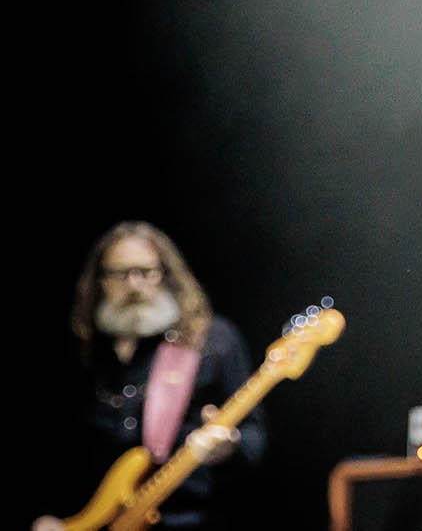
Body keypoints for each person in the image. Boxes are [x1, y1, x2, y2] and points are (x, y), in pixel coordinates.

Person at [32, 222, 266, 531]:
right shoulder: (82, 349)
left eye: (146, 272)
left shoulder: (211, 341)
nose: (134, 284)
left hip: (189, 520)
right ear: (99, 281)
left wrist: (230, 447)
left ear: (167, 276)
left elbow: (254, 435)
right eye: (119, 273)